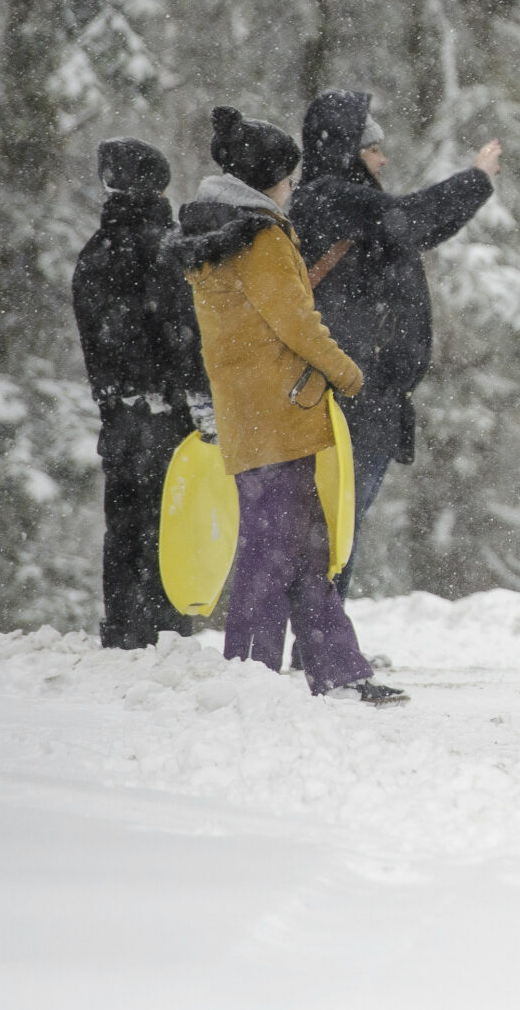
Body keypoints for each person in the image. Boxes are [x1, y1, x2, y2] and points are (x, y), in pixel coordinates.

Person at [164, 107, 400, 704]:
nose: (294, 189)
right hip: (278, 410)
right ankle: (250, 674)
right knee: (272, 551)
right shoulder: (262, 239)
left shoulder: (219, 238)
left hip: (255, 412)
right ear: (268, 181)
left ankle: (338, 672)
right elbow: (297, 321)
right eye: (289, 179)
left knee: (305, 547)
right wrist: (350, 376)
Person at [287, 91, 500, 598]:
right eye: (374, 148)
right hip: (355, 389)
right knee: (341, 516)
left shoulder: (336, 201)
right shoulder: (336, 199)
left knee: (341, 515)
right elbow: (416, 219)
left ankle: (325, 642)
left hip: (362, 387)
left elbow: (410, 226)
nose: (383, 159)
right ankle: (325, 646)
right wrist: (477, 179)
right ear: (348, 150)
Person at [70, 138, 208, 649]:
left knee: (124, 520)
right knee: (169, 522)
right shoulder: (166, 248)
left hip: (119, 413)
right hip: (168, 413)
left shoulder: (95, 252)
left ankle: (123, 625)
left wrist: (114, 395)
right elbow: (186, 336)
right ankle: (165, 630)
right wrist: (200, 402)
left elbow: (98, 339)